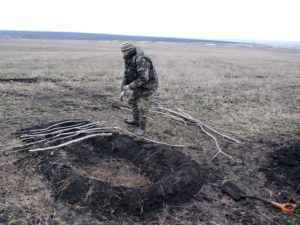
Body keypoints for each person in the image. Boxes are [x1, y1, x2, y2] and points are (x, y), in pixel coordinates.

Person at [120, 41, 158, 136]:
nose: (123, 53)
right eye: (122, 51)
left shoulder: (141, 59)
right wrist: (123, 89)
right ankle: (136, 121)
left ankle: (142, 128)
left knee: (142, 107)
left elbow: (144, 78)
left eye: (125, 51)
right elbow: (127, 74)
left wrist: (129, 86)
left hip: (148, 85)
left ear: (130, 50)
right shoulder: (128, 58)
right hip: (138, 84)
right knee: (132, 101)